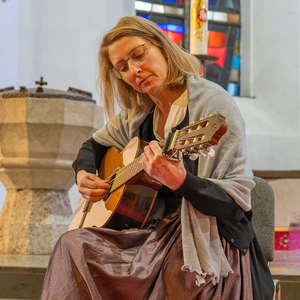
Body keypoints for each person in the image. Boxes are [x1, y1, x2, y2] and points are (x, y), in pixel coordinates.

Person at [40, 16, 274, 300]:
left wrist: (183, 181)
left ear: (162, 46)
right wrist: (83, 173)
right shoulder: (138, 112)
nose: (135, 70)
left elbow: (234, 207)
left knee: (177, 280)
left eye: (139, 54)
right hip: (152, 236)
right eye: (122, 67)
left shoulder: (212, 105)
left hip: (210, 242)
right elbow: (93, 145)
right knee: (73, 245)